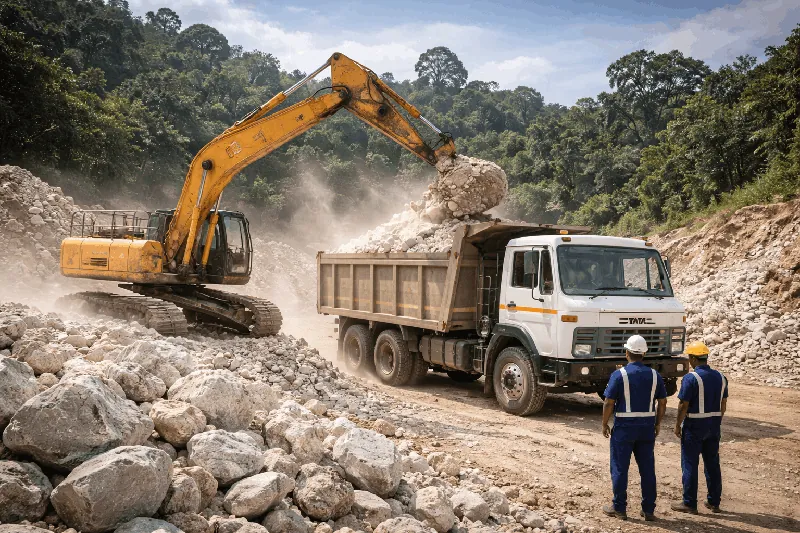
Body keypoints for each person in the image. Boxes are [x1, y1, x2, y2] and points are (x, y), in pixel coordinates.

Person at [601, 335, 668, 521]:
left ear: (627, 353)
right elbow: (662, 402)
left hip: (624, 427)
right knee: (647, 469)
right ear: (644, 354)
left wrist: (604, 423)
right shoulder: (655, 375)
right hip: (646, 427)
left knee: (620, 468)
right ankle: (648, 510)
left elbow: (608, 402)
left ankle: (619, 508)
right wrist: (657, 423)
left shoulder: (619, 375)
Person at [671, 341, 728, 514]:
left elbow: (683, 404)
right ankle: (714, 502)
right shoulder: (721, 377)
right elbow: (723, 404)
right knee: (712, 463)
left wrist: (678, 425)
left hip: (694, 426)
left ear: (694, 359)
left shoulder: (691, 378)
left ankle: (689, 503)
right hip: (714, 425)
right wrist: (716, 421)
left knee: (690, 463)